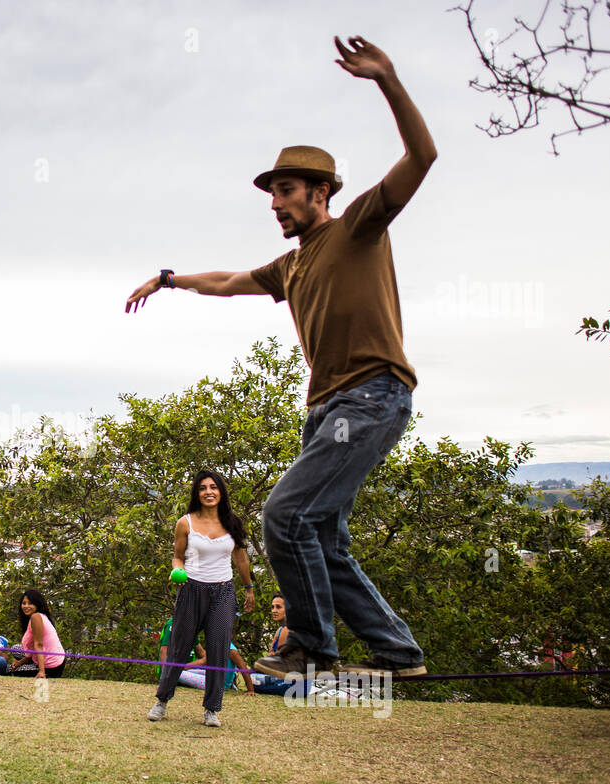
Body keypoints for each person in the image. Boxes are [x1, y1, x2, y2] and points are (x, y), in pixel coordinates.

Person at [126, 36, 432, 680]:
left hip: (370, 395)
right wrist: (170, 279)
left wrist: (388, 80)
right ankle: (397, 651)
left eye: (285, 191)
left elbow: (422, 155)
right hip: (325, 410)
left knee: (284, 515)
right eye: (271, 194)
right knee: (320, 535)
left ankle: (313, 648)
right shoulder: (290, 265)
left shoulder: (358, 227)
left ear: (320, 192)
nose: (274, 204)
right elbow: (230, 281)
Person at [147, 469, 255, 727]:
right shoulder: (186, 523)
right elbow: (178, 556)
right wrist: (176, 569)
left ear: (221, 492)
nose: (209, 492)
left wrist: (249, 588)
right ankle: (162, 701)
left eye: (213, 487)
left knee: (219, 649)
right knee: (179, 647)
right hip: (191, 589)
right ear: (197, 493)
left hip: (223, 591)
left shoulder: (232, 523)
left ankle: (212, 709)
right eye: (203, 488)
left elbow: (240, 558)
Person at [156, 617, 255, 694]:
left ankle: (166, 682)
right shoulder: (217, 643)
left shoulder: (230, 650)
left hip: (217, 684)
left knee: (176, 674)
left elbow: (243, 668)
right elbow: (205, 660)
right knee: (180, 671)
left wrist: (251, 690)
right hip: (212, 676)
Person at [5, 588, 66, 678]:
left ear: (37, 604)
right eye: (24, 603)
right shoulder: (40, 616)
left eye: (30, 603)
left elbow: (39, 644)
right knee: (15, 649)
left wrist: (41, 672)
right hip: (54, 658)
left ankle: (39, 669)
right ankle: (32, 664)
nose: (26, 606)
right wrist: (20, 662)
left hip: (51, 667)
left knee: (8, 670)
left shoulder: (36, 617)